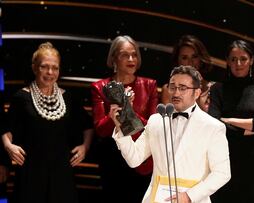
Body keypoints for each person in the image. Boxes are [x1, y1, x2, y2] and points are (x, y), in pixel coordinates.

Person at [110, 65, 230, 203]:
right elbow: (134, 159)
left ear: (197, 93)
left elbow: (222, 173)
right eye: (173, 87)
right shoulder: (156, 121)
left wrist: (190, 196)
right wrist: (120, 127)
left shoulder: (213, 127)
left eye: (183, 88)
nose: (176, 93)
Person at [1, 42, 94, 203]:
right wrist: (8, 146)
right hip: (31, 175)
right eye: (44, 67)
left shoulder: (68, 98)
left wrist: (85, 147)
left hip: (62, 175)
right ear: (34, 68)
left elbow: (87, 125)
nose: (50, 72)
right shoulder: (21, 97)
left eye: (55, 68)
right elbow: (6, 127)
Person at [91, 35, 158, 203]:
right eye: (124, 55)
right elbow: (100, 129)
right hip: (112, 157)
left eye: (134, 54)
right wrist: (112, 118)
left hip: (141, 156)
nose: (131, 59)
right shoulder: (99, 87)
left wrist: (129, 109)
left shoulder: (149, 85)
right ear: (114, 58)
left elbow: (153, 125)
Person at [208, 40, 254, 203]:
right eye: (233, 59)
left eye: (243, 59)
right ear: (227, 62)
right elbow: (214, 123)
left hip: (252, 164)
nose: (238, 63)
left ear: (251, 60)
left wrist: (228, 120)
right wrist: (250, 127)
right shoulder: (218, 89)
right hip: (223, 161)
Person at [161, 35, 216, 112]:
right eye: (184, 58)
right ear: (177, 61)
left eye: (194, 56)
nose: (190, 62)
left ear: (201, 59)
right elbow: (167, 121)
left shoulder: (213, 89)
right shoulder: (168, 90)